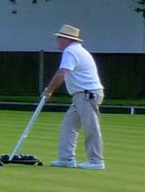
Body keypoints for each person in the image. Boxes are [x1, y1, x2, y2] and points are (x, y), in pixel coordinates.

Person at [42, 23, 105, 169]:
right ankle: (66, 159)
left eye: (59, 38)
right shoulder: (75, 50)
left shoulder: (71, 51)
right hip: (80, 95)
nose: (57, 40)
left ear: (66, 39)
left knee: (91, 127)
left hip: (87, 94)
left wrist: (49, 90)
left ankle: (96, 161)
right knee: (68, 126)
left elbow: (62, 73)